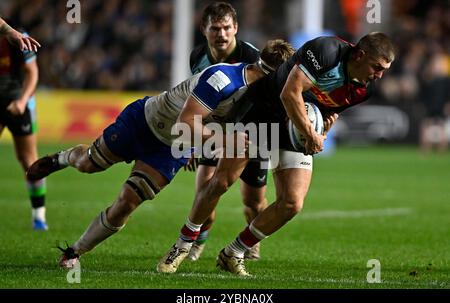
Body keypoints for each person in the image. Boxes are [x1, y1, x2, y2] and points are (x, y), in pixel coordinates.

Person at [26, 40, 294, 268]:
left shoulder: (260, 94)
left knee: (127, 202)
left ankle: (75, 252)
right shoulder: (223, 79)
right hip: (145, 121)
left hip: (171, 147)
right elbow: (186, 123)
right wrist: (224, 140)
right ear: (274, 75)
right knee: (88, 164)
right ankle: (60, 159)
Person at [158, 32, 395, 276]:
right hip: (261, 112)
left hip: (294, 125)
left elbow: (328, 110)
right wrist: (311, 135)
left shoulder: (362, 91)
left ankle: (234, 252)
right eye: (377, 67)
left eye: (385, 69)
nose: (379, 75)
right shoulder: (327, 50)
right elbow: (289, 93)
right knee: (221, 182)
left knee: (292, 203)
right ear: (360, 55)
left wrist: (323, 127)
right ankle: (182, 246)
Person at [187, 2, 266, 262]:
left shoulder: (252, 57)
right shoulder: (197, 57)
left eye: (226, 28)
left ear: (236, 29)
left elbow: (259, 103)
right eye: (215, 28)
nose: (221, 34)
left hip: (251, 132)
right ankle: (198, 241)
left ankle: (250, 242)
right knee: (205, 194)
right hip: (215, 131)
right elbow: (199, 104)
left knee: (253, 203)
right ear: (204, 29)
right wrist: (193, 143)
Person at [0, 26, 47, 230]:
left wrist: (22, 101)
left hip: (21, 103)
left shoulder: (20, 39)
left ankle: (39, 217)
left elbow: (32, 73)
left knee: (28, 160)